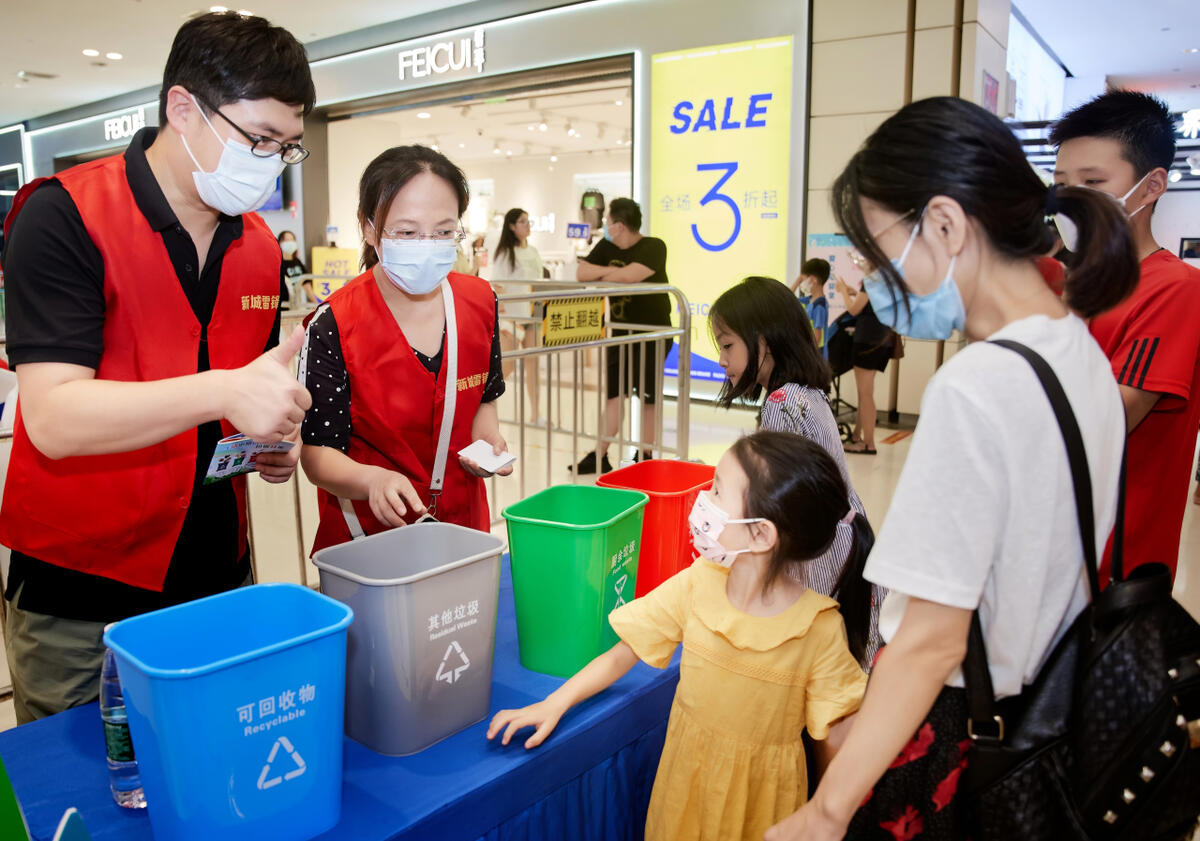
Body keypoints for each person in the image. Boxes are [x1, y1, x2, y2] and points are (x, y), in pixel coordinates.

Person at [765, 96, 1133, 841]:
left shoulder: (976, 387)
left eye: (877, 250)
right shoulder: (1078, 350)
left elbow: (932, 638)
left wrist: (827, 808)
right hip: (1050, 709)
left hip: (964, 733)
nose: (871, 278)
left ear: (944, 224)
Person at [0, 12, 315, 724]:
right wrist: (225, 389)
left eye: (287, 147)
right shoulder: (64, 217)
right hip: (82, 595)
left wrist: (270, 436)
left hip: (218, 574)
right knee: (89, 798)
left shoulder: (260, 245)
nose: (269, 161)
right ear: (183, 108)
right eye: (258, 139)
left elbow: (244, 385)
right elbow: (53, 417)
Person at [488, 431, 872, 841]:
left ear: (761, 534)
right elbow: (624, 652)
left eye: (718, 491)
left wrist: (829, 818)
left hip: (764, 812)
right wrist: (554, 703)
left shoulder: (817, 629)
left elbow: (833, 739)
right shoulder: (697, 583)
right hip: (685, 790)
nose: (703, 500)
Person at [299, 145, 511, 552]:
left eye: (444, 231)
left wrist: (488, 440)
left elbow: (485, 396)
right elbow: (317, 454)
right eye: (407, 232)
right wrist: (370, 480)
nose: (427, 245)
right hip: (372, 536)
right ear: (368, 227)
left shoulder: (481, 302)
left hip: (463, 525)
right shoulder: (334, 324)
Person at [1051, 90, 1200, 583]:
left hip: (1115, 563)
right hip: (1052, 545)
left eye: (1093, 182)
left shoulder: (1174, 289)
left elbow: (1106, 419)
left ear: (1152, 185)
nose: (1072, 200)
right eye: (1061, 184)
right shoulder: (1074, 284)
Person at [709, 275, 882, 665]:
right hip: (841, 540)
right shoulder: (807, 394)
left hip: (817, 551)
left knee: (814, 655)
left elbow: (776, 499)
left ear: (764, 343)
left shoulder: (782, 405)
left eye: (727, 346)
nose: (721, 360)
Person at [574, 198, 672, 474]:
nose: (605, 228)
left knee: (649, 396)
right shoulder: (606, 247)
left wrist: (604, 276)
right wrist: (614, 273)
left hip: (653, 334)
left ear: (618, 226)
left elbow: (632, 276)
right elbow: (582, 272)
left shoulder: (654, 246)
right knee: (615, 395)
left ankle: (646, 452)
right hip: (619, 334)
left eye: (607, 223)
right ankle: (600, 453)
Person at [490, 208, 544, 417]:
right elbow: (498, 286)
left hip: (532, 315)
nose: (528, 225)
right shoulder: (505, 254)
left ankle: (535, 413)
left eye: (529, 221)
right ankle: (488, 410)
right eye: (523, 221)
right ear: (512, 226)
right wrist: (506, 317)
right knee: (507, 367)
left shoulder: (533, 252)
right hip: (511, 319)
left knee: (533, 365)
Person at [833, 274, 895, 455]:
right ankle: (857, 436)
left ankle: (868, 443)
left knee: (865, 394)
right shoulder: (887, 279)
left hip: (867, 340)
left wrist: (844, 292)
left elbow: (853, 310)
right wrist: (853, 292)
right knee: (865, 393)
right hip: (882, 339)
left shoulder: (873, 280)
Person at [791, 258, 831, 349]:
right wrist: (797, 281)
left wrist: (808, 353)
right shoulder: (809, 300)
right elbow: (786, 297)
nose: (801, 282)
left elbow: (817, 336)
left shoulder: (819, 305)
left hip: (815, 353)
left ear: (813, 279)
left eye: (803, 279)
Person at [277, 229, 308, 304]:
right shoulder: (278, 264)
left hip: (297, 304)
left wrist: (316, 303)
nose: (290, 243)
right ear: (280, 243)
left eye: (292, 240)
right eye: (287, 240)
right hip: (283, 306)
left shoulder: (297, 261)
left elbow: (307, 284)